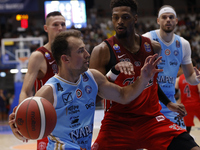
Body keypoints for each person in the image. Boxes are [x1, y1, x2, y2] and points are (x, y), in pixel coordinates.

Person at [9, 29, 163, 150]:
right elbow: (26, 122)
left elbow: (123, 95)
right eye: (81, 51)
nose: (87, 55)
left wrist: (143, 78)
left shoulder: (92, 77)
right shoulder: (49, 91)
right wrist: (18, 126)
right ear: (65, 59)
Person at [89, 0, 200, 149]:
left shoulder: (153, 47)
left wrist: (168, 103)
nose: (119, 22)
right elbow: (93, 96)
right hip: (117, 123)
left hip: (151, 120)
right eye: (115, 17)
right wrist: (114, 71)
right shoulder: (101, 50)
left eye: (125, 17)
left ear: (135, 18)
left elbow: (152, 82)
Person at [11, 11, 66, 150]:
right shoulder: (39, 56)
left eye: (63, 24)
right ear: (46, 28)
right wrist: (21, 119)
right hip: (46, 122)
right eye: (55, 25)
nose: (60, 28)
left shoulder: (72, 53)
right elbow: (25, 90)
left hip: (69, 119)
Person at [143, 5, 200, 129]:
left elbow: (190, 76)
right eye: (164, 17)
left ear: (176, 21)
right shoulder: (147, 38)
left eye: (171, 17)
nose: (168, 19)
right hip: (147, 103)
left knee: (183, 142)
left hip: (170, 104)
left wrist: (197, 79)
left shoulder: (183, 44)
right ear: (158, 20)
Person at [175, 60, 200, 134]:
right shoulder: (197, 77)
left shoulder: (179, 78)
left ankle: (187, 143)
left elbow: (174, 93)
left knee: (187, 128)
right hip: (196, 104)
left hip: (185, 106)